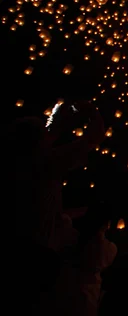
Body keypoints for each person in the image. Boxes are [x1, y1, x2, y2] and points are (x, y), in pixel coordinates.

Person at [7, 101, 105, 312]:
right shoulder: (42, 163)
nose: (49, 138)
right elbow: (93, 137)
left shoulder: (18, 164)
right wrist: (91, 112)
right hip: (33, 255)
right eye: (44, 134)